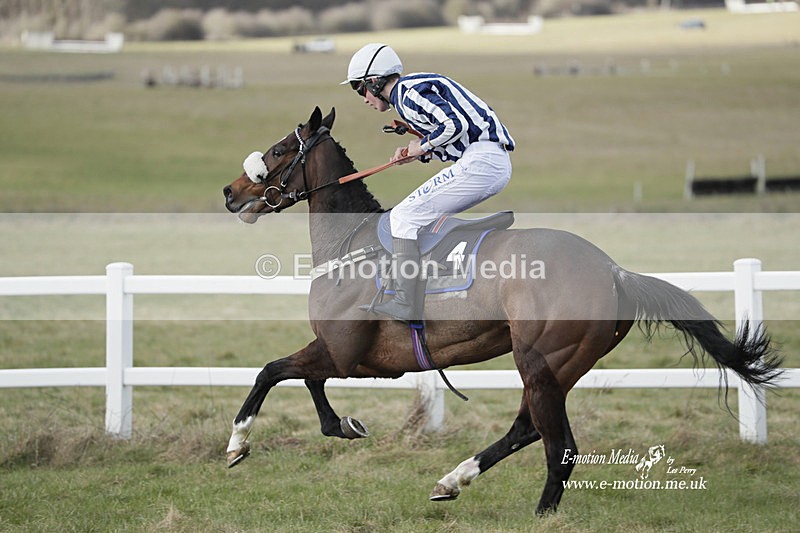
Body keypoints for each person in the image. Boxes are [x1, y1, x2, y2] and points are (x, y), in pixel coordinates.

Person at [343, 43, 515, 322]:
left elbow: (453, 125)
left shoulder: (407, 93)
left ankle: (405, 302)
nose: (362, 98)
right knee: (411, 215)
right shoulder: (408, 94)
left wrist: (422, 145)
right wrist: (416, 155)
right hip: (484, 160)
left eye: (358, 88)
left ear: (373, 82)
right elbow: (452, 140)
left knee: (403, 216)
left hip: (482, 161)